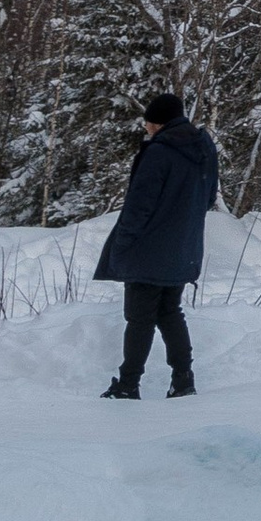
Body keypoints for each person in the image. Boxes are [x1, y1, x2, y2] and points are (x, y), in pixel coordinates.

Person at [94, 92, 221, 399]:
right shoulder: (203, 149)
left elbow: (139, 207)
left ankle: (128, 384)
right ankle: (183, 378)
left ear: (156, 122)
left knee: (139, 318)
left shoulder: (160, 152)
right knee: (170, 312)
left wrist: (123, 244)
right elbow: (207, 199)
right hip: (183, 249)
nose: (146, 128)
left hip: (147, 250)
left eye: (147, 122)